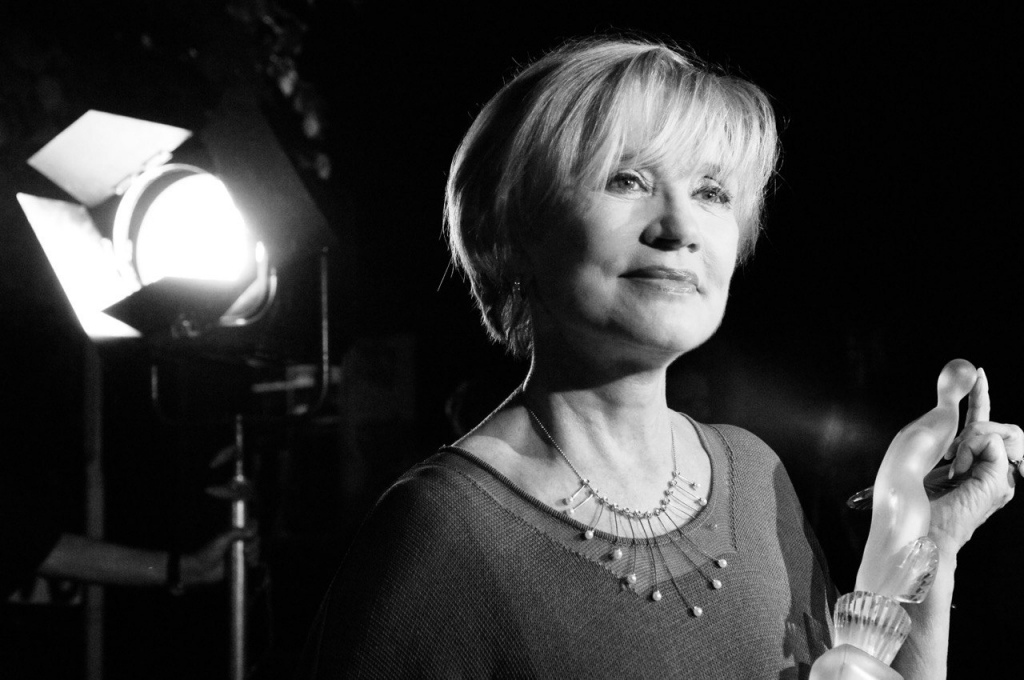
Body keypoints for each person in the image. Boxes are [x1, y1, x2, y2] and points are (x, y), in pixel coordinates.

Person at [298, 36, 1019, 678]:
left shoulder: (757, 475)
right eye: (627, 179)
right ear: (510, 231)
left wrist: (928, 543)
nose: (680, 227)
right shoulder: (443, 533)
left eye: (711, 192)